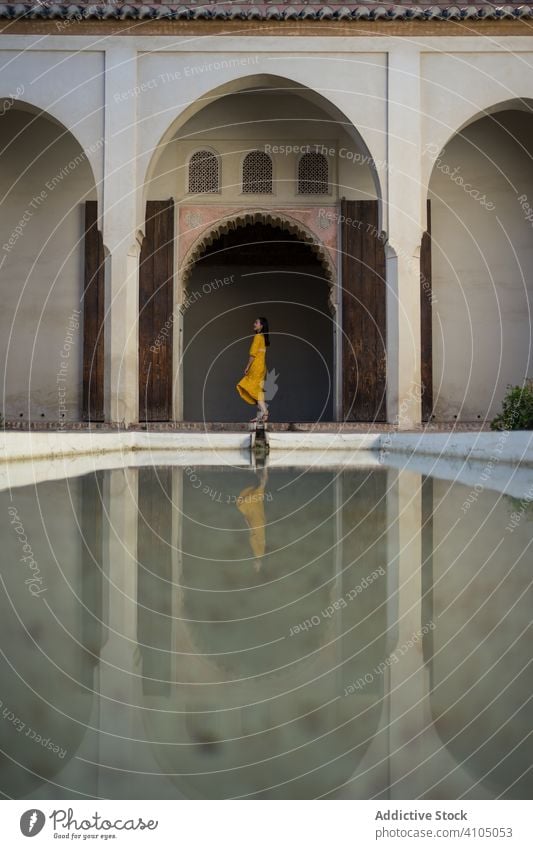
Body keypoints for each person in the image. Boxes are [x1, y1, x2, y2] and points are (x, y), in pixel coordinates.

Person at [236, 316, 270, 423]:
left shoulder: (258, 337)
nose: (254, 324)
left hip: (255, 367)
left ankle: (265, 412)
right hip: (262, 367)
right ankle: (261, 416)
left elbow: (253, 354)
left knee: (247, 386)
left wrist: (247, 366)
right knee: (257, 391)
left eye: (256, 323)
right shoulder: (264, 338)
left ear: (261, 326)